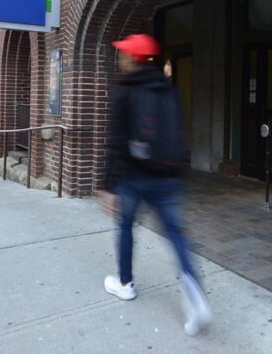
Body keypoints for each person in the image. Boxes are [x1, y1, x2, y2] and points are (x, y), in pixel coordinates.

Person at [103, 33, 212, 336]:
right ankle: (195, 297)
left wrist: (108, 185)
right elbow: (178, 133)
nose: (120, 59)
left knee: (125, 227)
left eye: (123, 55)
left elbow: (115, 143)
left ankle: (125, 283)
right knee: (177, 236)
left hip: (133, 178)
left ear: (133, 59)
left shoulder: (124, 91)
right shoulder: (168, 89)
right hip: (168, 178)